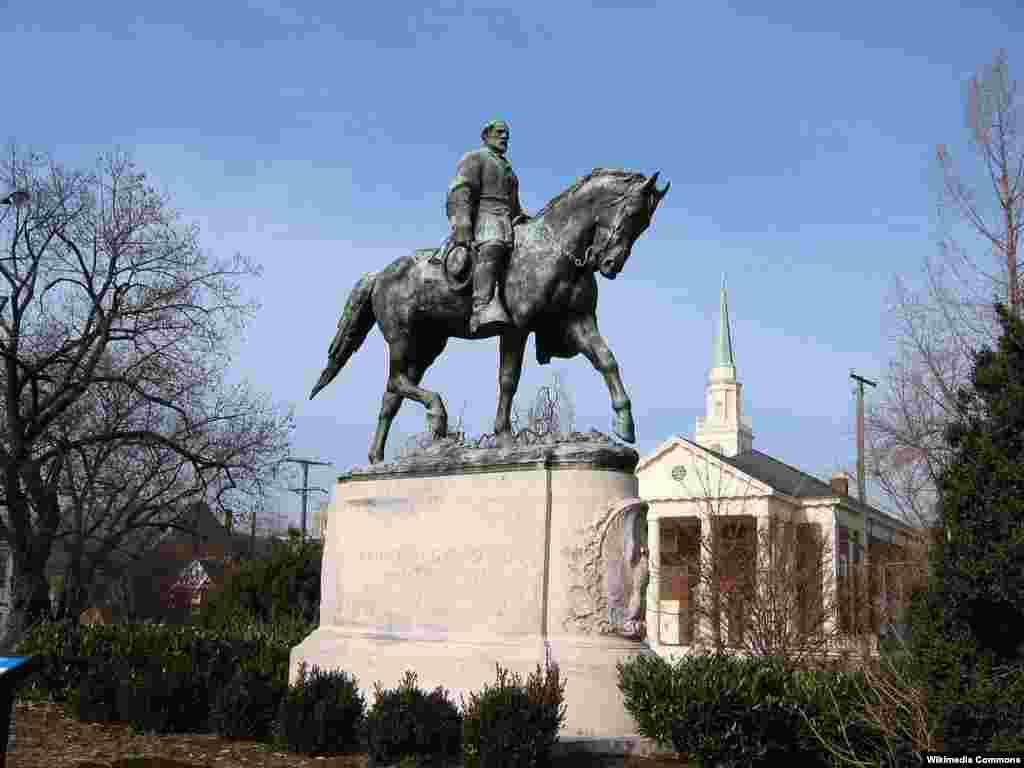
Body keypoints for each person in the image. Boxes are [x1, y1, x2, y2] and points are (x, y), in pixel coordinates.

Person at [446, 119, 529, 334]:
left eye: (506, 135)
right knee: (493, 246)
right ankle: (481, 307)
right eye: (500, 133)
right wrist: (462, 222)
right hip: (486, 218)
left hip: (507, 220)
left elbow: (514, 205)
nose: (504, 137)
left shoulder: (509, 170)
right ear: (486, 136)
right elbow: (461, 189)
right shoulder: (476, 158)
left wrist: (524, 219)